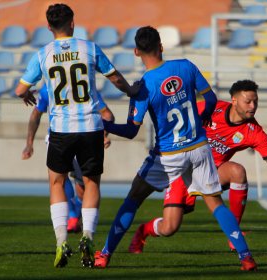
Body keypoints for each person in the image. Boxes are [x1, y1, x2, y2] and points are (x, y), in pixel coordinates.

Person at [94, 26, 257, 271]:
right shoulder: (186, 66)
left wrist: (105, 125)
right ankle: (245, 257)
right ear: (161, 46)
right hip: (199, 148)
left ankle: (105, 255)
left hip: (168, 155)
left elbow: (131, 131)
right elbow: (210, 99)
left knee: (134, 198)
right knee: (215, 203)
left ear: (136, 52)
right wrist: (205, 118)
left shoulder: (143, 87)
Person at [127, 79, 267, 253]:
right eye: (248, 102)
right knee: (169, 226)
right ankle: (143, 231)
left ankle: (233, 233)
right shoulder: (211, 108)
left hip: (212, 173)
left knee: (237, 171)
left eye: (255, 102)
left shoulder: (254, 131)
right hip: (184, 172)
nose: (252, 106)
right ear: (234, 100)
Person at [15, 3, 139, 268]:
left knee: (57, 184)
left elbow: (19, 90)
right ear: (73, 23)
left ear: (48, 27)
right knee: (92, 184)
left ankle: (61, 241)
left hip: (61, 129)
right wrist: (130, 91)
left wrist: (26, 93)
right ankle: (87, 236)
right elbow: (115, 78)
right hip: (91, 126)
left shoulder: (43, 54)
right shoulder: (89, 48)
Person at [21, 84, 114, 233]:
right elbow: (35, 114)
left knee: (83, 185)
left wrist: (102, 135)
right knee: (59, 178)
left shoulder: (86, 85)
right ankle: (72, 217)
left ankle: (78, 216)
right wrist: (29, 143)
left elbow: (107, 115)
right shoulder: (48, 89)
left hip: (82, 137)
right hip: (57, 137)